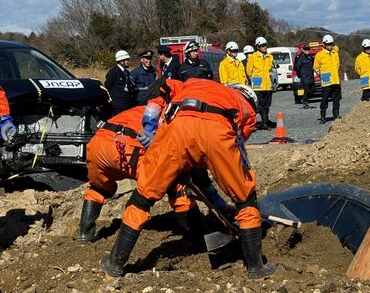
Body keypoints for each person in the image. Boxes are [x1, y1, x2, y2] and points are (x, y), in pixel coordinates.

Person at [99, 80, 276, 280]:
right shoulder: (246, 110)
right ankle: (256, 267)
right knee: (245, 198)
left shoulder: (196, 83)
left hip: (176, 129)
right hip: (217, 130)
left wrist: (150, 128)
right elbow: (234, 148)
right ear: (249, 99)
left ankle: (114, 264)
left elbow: (159, 88)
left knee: (143, 197)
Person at [77, 105, 230, 245]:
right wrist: (219, 204)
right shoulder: (182, 121)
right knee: (175, 186)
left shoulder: (155, 110)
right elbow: (195, 172)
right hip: (130, 149)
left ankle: (85, 235)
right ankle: (200, 240)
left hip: (99, 143)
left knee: (99, 188)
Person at [246, 37, 275, 130]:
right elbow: (249, 71)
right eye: (262, 45)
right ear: (258, 47)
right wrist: (255, 81)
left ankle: (265, 123)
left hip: (268, 85)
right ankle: (251, 124)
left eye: (265, 45)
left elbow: (271, 70)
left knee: (266, 106)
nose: (265, 47)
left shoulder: (270, 56)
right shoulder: (253, 57)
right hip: (258, 86)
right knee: (256, 106)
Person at [313, 34, 341, 123]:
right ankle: (323, 117)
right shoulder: (319, 55)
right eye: (328, 44)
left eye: (331, 44)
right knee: (324, 99)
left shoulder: (335, 53)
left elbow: (338, 65)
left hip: (335, 80)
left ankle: (336, 115)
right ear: (324, 44)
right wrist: (322, 76)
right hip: (326, 82)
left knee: (337, 99)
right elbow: (316, 67)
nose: (330, 46)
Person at [105, 50, 136, 115]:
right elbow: (107, 86)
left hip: (126, 103)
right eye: (127, 60)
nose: (128, 62)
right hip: (117, 105)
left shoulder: (126, 72)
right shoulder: (114, 72)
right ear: (121, 61)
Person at [294, 44, 315, 108]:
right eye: (306, 50)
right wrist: (299, 75)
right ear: (303, 50)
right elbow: (297, 67)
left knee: (313, 89)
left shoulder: (310, 57)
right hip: (304, 77)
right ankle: (304, 100)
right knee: (306, 90)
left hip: (310, 77)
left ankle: (305, 99)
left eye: (308, 49)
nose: (307, 51)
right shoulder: (301, 58)